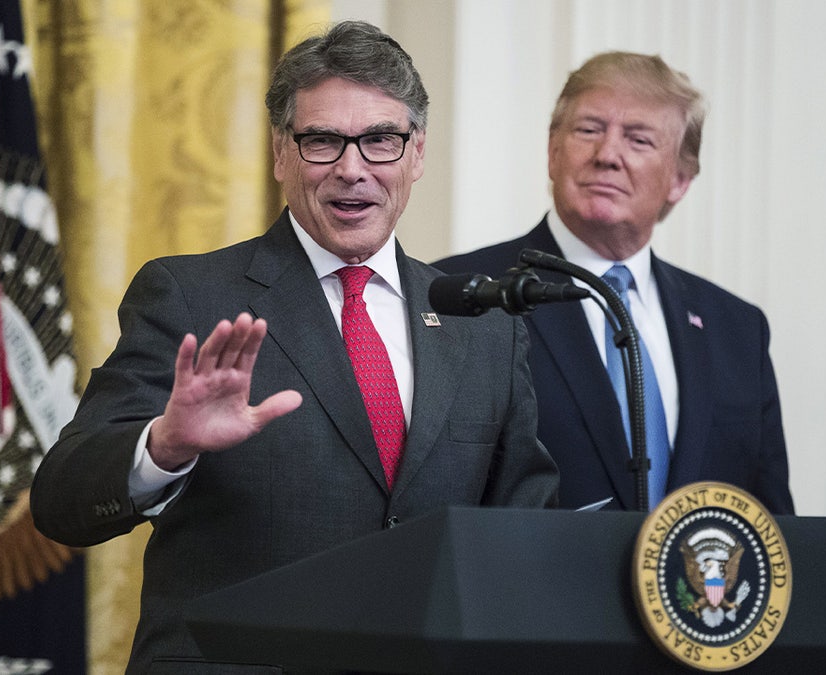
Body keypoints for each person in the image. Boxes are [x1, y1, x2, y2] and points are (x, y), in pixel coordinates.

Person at [30, 20, 559, 672]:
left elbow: (521, 537)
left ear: (417, 153)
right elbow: (59, 499)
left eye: (380, 140)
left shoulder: (482, 324)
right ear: (281, 152)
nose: (352, 168)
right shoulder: (191, 295)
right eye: (322, 141)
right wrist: (164, 446)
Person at [436, 51, 794, 514]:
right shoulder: (465, 292)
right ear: (552, 152)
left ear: (680, 180)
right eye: (588, 130)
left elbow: (772, 525)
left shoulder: (737, 329)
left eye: (639, 139)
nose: (607, 155)